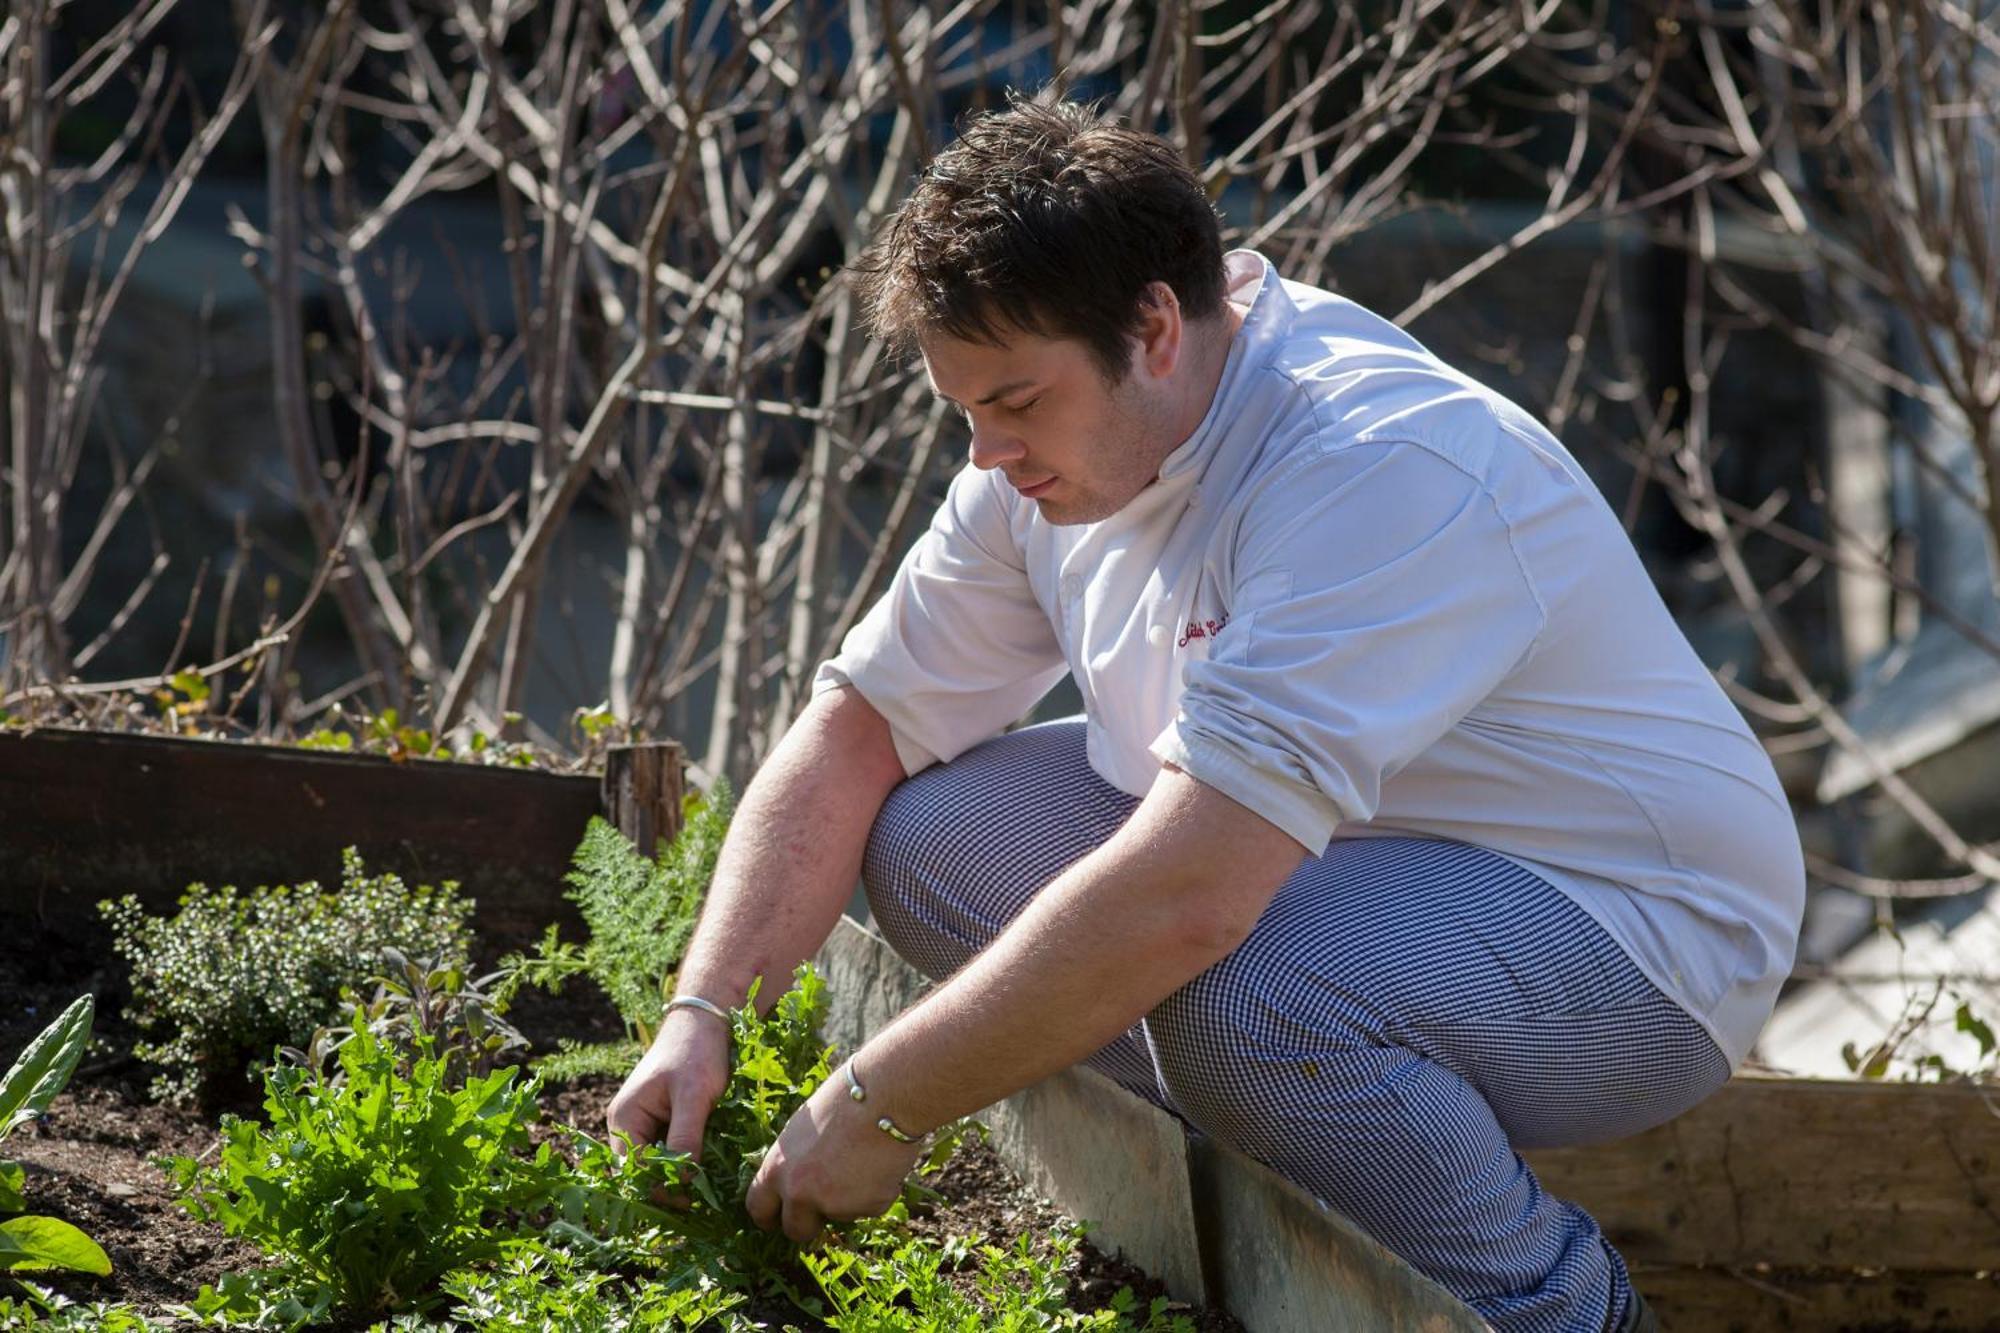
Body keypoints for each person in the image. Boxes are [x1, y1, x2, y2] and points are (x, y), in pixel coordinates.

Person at [605, 91, 1806, 1333]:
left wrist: (879, 1103)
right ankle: (1266, 1202)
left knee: (1243, 996)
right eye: (962, 409)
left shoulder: (1376, 465)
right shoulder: (1043, 460)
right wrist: (699, 1017)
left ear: (1157, 327)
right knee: (930, 843)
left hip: (1633, 933)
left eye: (1012, 402)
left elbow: (1189, 896)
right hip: (1329, 869)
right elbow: (857, 726)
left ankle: (1557, 1308)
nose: (983, 454)